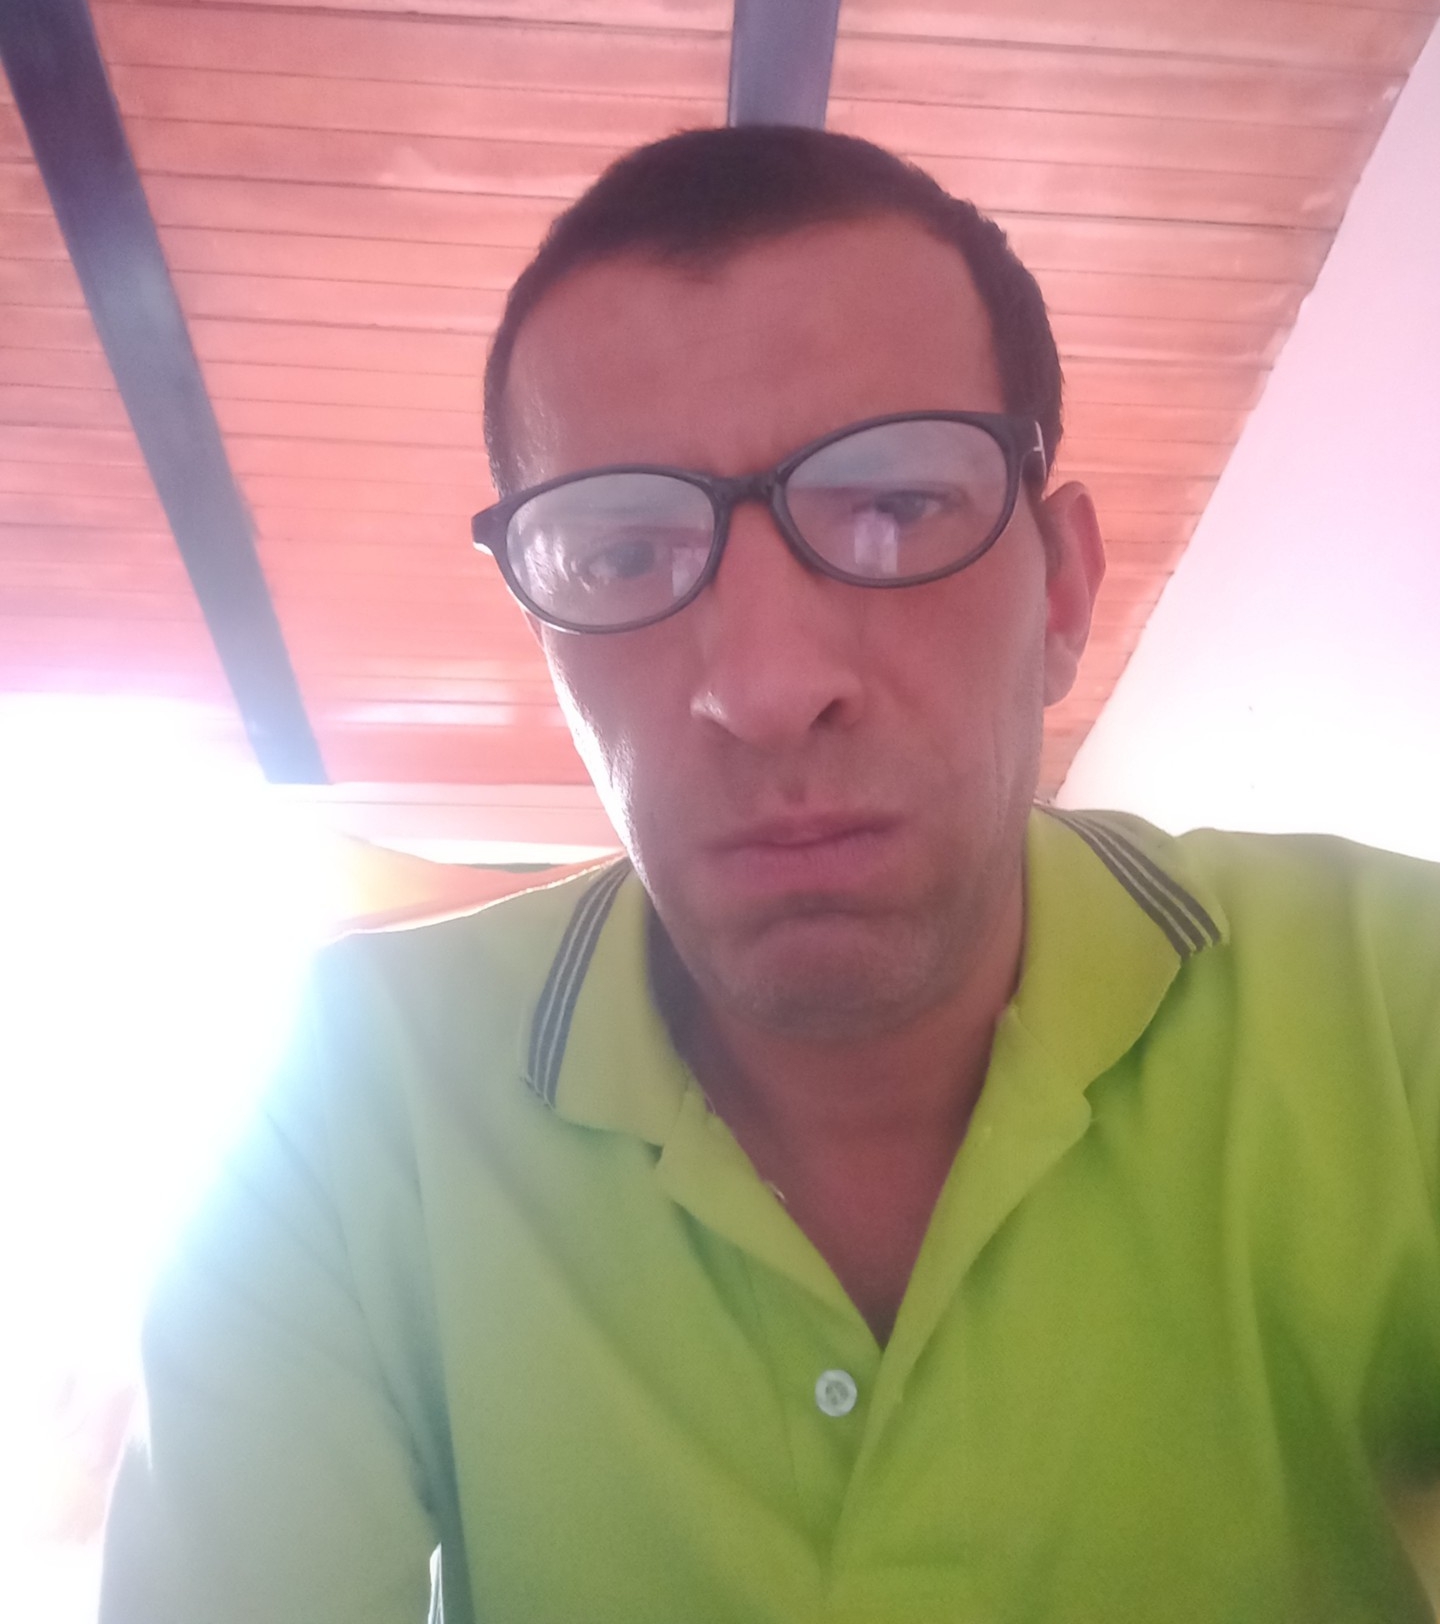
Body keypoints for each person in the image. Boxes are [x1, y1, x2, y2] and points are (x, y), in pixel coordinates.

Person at [101, 127, 1440, 1623]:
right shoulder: (349, 1095)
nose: (764, 686)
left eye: (894, 509)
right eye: (621, 554)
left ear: (1062, 591)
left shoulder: (1393, 1001)